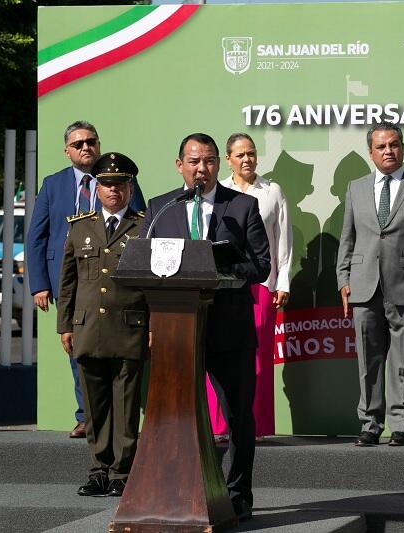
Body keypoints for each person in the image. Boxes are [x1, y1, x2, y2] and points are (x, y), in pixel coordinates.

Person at [140, 133, 270, 521]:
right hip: (178, 330)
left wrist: (221, 266)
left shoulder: (242, 207)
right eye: (194, 161)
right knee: (176, 416)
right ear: (179, 165)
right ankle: (179, 490)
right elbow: (147, 268)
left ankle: (237, 493)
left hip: (230, 330)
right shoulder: (161, 208)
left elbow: (261, 266)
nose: (202, 169)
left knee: (238, 418)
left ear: (218, 164)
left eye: (210, 161)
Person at [27, 120, 146, 438]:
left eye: (91, 141)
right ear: (67, 150)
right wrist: (39, 283)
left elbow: (142, 230)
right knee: (79, 348)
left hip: (115, 282)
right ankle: (86, 415)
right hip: (68, 279)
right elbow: (37, 236)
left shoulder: (122, 180)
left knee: (116, 351)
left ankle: (117, 418)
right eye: (78, 144)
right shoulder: (53, 184)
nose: (85, 147)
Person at [336, 121, 404, 447]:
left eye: (394, 144)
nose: (388, 151)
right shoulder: (356, 187)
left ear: (402, 147)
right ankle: (370, 423)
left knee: (403, 360)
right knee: (368, 361)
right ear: (370, 152)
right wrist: (343, 279)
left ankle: (400, 424)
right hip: (363, 286)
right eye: (381, 146)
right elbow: (348, 238)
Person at [56, 152, 149, 497]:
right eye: (107, 184)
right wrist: (65, 324)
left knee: (125, 405)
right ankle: (98, 470)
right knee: (95, 407)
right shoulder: (80, 226)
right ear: (97, 187)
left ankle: (122, 473)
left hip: (129, 326)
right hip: (88, 327)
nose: (114, 190)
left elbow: (154, 281)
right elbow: (68, 281)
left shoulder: (144, 226)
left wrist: (152, 327)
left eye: (120, 184)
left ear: (129, 187)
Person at [205, 133, 292, 441]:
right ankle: (219, 427)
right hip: (225, 286)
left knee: (257, 359)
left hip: (262, 285)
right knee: (219, 354)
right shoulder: (220, 192)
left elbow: (283, 240)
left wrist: (283, 282)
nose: (247, 159)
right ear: (228, 159)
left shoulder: (272, 191)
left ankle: (255, 425)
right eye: (240, 155)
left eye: (251, 153)